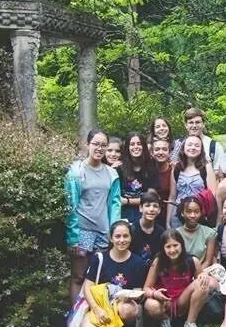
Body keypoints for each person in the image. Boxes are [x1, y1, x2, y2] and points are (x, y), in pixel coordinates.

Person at [64, 129, 122, 303]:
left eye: (103, 145)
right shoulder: (76, 172)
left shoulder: (111, 173)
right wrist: (73, 237)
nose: (99, 148)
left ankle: (94, 314)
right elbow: (71, 205)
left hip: (103, 232)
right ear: (87, 144)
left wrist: (114, 231)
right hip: (82, 231)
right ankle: (75, 316)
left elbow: (115, 203)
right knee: (79, 276)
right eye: (96, 144)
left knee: (98, 277)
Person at [79, 221, 147, 327]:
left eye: (125, 236)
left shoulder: (138, 262)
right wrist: (96, 309)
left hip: (122, 304)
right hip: (100, 305)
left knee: (127, 310)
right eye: (117, 236)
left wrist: (128, 297)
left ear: (131, 238)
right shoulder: (99, 258)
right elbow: (87, 287)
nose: (122, 240)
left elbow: (138, 291)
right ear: (111, 238)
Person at [142, 229, 210, 327]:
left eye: (175, 245)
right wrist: (154, 294)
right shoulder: (158, 262)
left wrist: (204, 275)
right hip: (164, 302)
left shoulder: (192, 261)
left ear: (181, 245)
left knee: (202, 284)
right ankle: (165, 320)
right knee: (150, 305)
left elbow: (201, 286)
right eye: (168, 247)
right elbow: (146, 288)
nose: (172, 250)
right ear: (163, 248)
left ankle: (190, 324)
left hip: (183, 301)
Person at [167, 135, 217, 228]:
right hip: (178, 215)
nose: (193, 148)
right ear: (183, 147)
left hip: (199, 216)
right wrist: (167, 222)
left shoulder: (206, 168)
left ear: (201, 149)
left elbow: (212, 196)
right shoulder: (177, 168)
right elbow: (172, 197)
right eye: (189, 145)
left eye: (197, 145)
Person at [119, 132, 160, 225]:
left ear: (144, 146)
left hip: (145, 216)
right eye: (132, 144)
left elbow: (151, 198)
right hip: (124, 216)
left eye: (139, 144)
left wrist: (127, 201)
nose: (136, 147)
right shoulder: (119, 169)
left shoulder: (151, 168)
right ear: (127, 148)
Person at [171, 107, 225, 175]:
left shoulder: (215, 147)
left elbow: (220, 174)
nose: (194, 125)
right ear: (186, 125)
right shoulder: (178, 145)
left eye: (197, 122)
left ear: (203, 124)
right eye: (191, 122)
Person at [176, 196, 217, 266]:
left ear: (201, 213)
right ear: (182, 213)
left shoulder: (210, 233)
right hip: (182, 270)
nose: (193, 215)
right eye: (188, 212)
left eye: (196, 212)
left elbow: (208, 261)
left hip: (203, 270)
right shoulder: (176, 233)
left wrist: (199, 272)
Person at [131, 191, 165, 268]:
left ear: (159, 210)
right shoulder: (131, 230)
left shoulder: (161, 232)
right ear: (140, 208)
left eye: (155, 206)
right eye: (147, 205)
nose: (151, 209)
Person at [150, 137, 173, 225]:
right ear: (152, 153)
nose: (161, 152)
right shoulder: (146, 171)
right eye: (157, 149)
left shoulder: (174, 171)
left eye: (164, 149)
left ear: (169, 152)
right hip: (150, 214)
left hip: (169, 215)